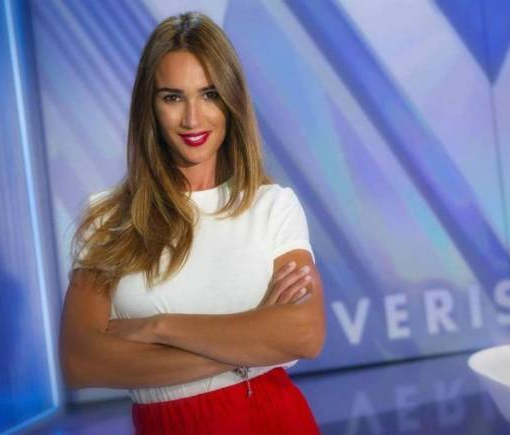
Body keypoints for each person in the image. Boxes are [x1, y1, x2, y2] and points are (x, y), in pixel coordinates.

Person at [58, 11, 325, 434]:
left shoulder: (272, 206)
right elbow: (80, 362)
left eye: (209, 94)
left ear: (231, 101)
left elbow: (305, 334)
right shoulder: (108, 219)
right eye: (172, 97)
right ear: (150, 107)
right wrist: (251, 342)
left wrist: (159, 327)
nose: (193, 119)